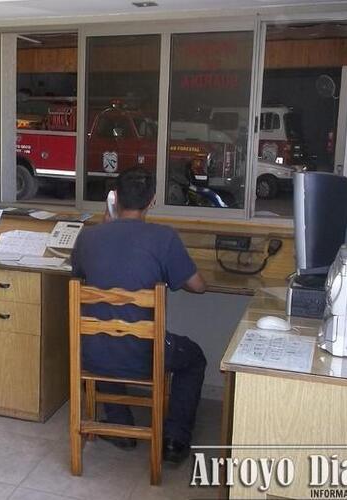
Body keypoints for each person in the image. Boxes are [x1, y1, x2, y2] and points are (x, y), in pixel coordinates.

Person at [70, 167, 207, 464]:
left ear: (114, 198)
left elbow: (78, 275)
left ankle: (121, 428)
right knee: (194, 359)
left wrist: (106, 226)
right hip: (146, 355)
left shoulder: (88, 237)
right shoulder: (164, 237)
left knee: (104, 336)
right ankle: (173, 439)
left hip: (89, 354)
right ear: (153, 200)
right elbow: (198, 287)